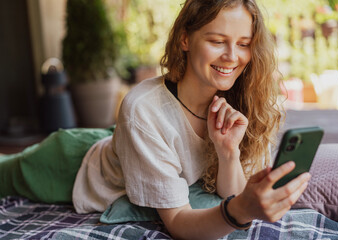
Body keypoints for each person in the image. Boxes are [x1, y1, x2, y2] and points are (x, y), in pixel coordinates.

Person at [0, 0, 311, 239]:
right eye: (217, 41)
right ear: (185, 40)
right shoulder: (143, 109)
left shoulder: (243, 100)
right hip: (67, 163)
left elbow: (229, 192)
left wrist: (227, 153)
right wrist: (240, 210)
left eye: (243, 43)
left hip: (125, 142)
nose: (233, 55)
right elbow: (178, 222)